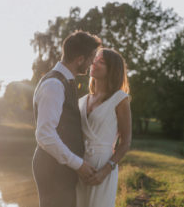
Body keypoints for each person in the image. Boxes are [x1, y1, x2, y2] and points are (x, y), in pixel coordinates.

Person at [32, 30, 102, 207]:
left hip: (60, 167)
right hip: (53, 169)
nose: (92, 62)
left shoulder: (64, 81)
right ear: (80, 59)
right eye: (91, 57)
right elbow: (45, 134)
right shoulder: (54, 85)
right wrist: (78, 164)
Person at [76, 48, 132, 207]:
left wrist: (105, 171)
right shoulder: (81, 101)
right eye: (95, 59)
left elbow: (126, 142)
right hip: (79, 166)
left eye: (102, 62)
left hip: (103, 165)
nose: (94, 62)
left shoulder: (120, 99)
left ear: (112, 70)